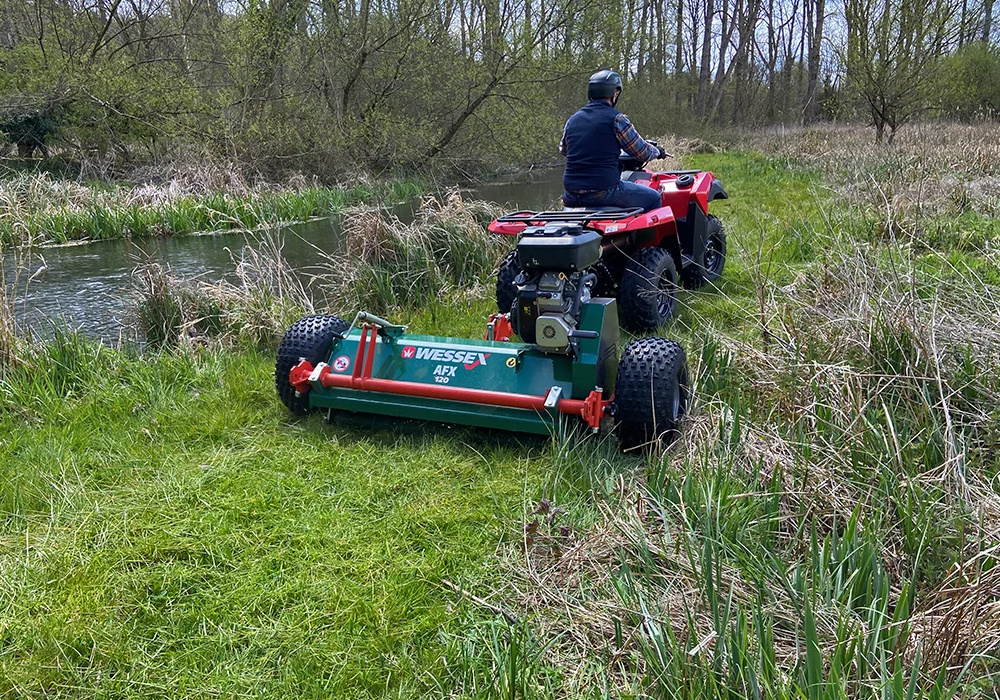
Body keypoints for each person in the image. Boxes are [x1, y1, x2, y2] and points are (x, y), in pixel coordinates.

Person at [559, 70, 666, 212]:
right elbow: (642, 152)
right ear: (614, 94)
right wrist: (657, 151)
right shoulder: (617, 119)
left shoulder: (573, 120)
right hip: (604, 192)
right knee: (654, 198)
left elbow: (564, 150)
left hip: (571, 195)